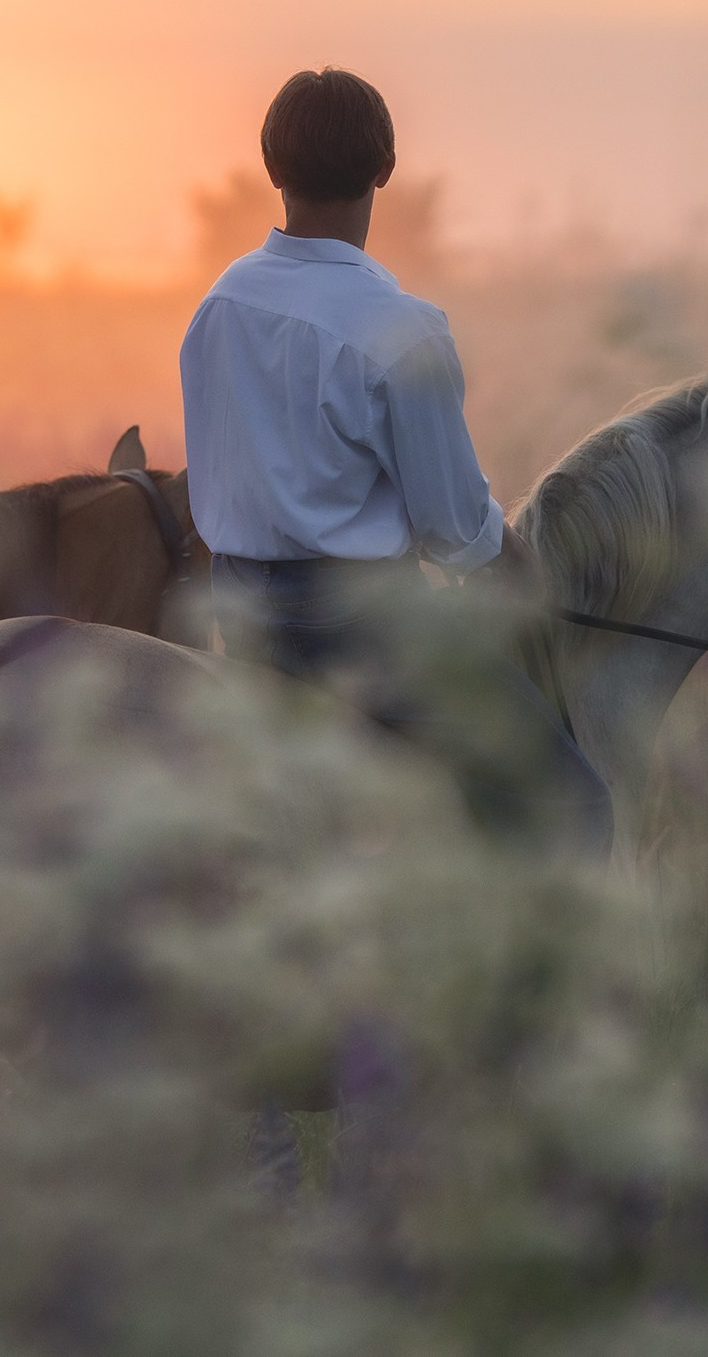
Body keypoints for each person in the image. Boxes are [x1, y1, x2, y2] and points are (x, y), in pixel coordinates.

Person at [180, 68, 611, 846]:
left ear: (272, 170)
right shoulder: (402, 330)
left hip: (235, 612)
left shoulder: (219, 304)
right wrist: (518, 570)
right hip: (359, 630)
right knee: (572, 804)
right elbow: (453, 527)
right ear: (386, 171)